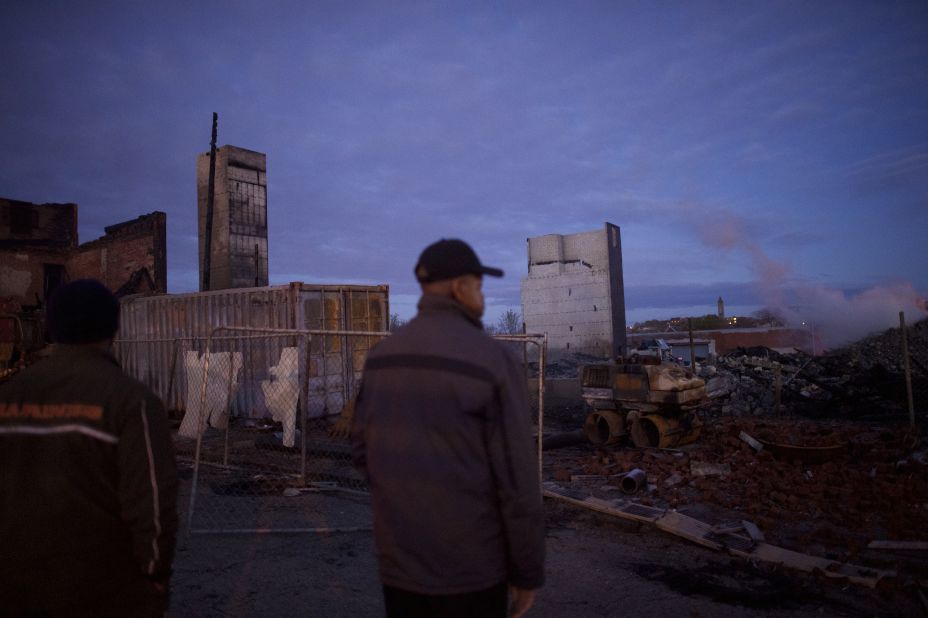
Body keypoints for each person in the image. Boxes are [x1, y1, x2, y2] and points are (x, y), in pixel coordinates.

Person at [352, 239, 545, 617]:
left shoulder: (380, 359)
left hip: (400, 568)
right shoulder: (493, 361)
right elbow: (518, 481)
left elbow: (362, 453)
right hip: (472, 572)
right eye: (479, 285)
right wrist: (526, 572)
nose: (482, 296)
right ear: (460, 287)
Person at [0, 279, 178, 617]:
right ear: (113, 327)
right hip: (104, 587)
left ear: (51, 327)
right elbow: (153, 502)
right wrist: (155, 572)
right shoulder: (133, 402)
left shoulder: (9, 397)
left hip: (14, 584)